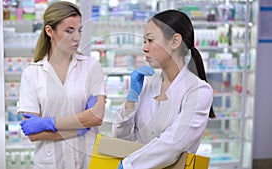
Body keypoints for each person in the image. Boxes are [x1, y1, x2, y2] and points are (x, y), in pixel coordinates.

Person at [113, 9, 215, 169]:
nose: (144, 48)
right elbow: (121, 138)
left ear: (175, 41)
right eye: (144, 41)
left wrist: (129, 165)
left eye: (150, 40)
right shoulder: (147, 83)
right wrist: (130, 101)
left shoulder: (199, 91)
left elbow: (173, 144)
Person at [18, 1, 106, 169]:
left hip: (86, 161)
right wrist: (79, 128)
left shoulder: (91, 67)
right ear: (50, 31)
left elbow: (96, 117)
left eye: (79, 30)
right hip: (50, 163)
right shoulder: (32, 73)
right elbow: (34, 134)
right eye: (69, 31)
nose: (77, 37)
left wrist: (50, 123)